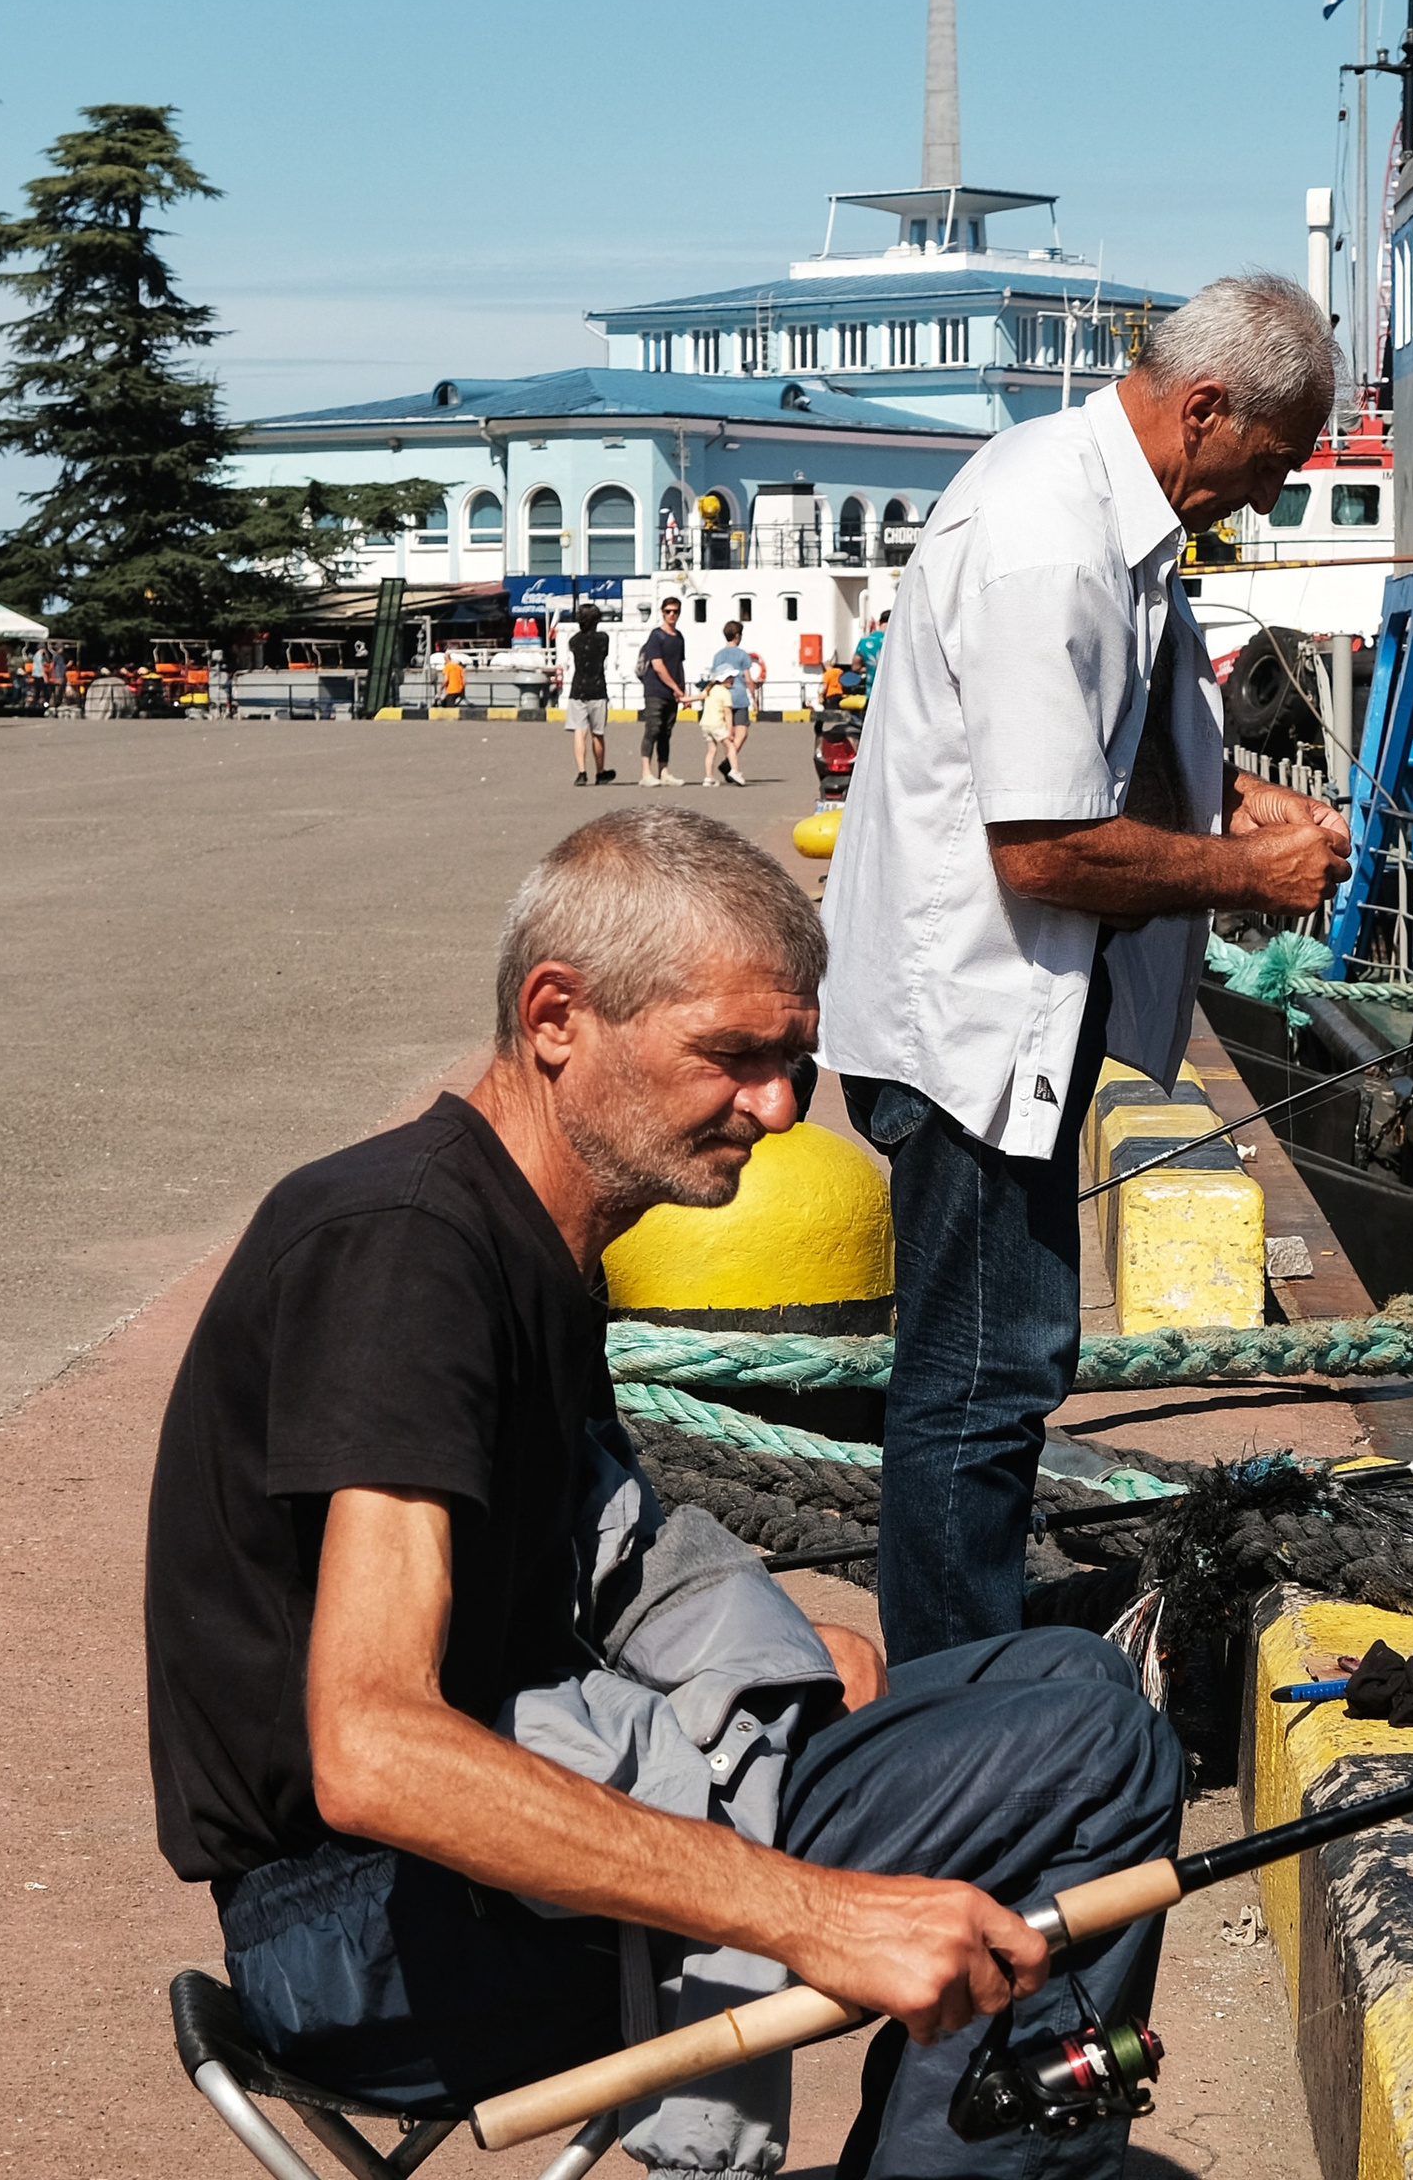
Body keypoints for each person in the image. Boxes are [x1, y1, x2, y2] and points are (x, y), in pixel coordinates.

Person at [144, 812, 1181, 2179]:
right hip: (360, 1940)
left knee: (1073, 1683)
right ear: (558, 1015)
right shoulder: (405, 1257)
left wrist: (779, 1655)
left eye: (795, 1061)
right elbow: (372, 1746)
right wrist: (812, 1913)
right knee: (1087, 1763)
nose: (777, 1107)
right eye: (734, 1057)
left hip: (447, 1892)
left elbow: (604, 1554)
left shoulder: (523, 1241)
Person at [820, 272, 1352, 1665]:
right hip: (972, 1030)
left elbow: (1108, 750)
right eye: (1275, 465)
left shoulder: (1109, 511)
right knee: (983, 1383)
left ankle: (968, 1664)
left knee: (1003, 1367)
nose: (1272, 494)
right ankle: (959, 1707)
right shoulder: (1052, 538)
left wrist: (1239, 808)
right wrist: (1253, 874)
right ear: (1206, 409)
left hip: (1006, 1017)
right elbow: (1045, 848)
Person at [561, 602, 614, 784]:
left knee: (579, 731)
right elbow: (604, 655)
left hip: (578, 689)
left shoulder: (574, 641)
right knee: (598, 733)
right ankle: (600, 772)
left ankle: (582, 772)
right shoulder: (603, 639)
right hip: (598, 688)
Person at [638, 595, 687, 786]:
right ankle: (646, 773)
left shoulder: (679, 637)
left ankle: (664, 771)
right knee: (653, 728)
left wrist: (683, 690)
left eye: (675, 611)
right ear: (662, 612)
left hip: (673, 693)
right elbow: (657, 665)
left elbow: (679, 665)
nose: (672, 615)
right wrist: (675, 687)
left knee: (667, 731)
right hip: (655, 690)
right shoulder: (656, 636)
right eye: (668, 611)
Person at [707, 619, 756, 785]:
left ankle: (728, 764)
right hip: (740, 697)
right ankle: (728, 764)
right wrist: (754, 698)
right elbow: (748, 679)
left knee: (729, 735)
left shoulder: (718, 655)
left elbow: (714, 678)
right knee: (741, 735)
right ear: (737, 635)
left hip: (721, 697)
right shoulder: (743, 655)